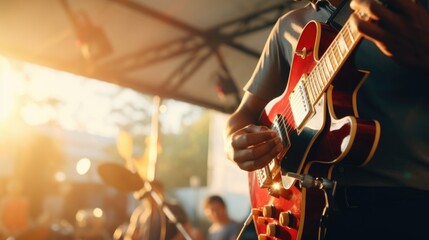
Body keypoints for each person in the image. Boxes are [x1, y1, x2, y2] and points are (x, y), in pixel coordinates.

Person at [224, 0, 429, 239]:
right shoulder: (288, 26)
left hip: (410, 206)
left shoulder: (414, 8)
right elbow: (244, 113)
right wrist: (233, 144)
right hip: (315, 211)